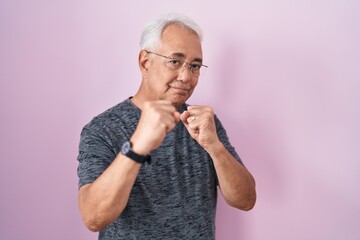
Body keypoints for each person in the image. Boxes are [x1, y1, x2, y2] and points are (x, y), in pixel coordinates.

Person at [77, 13, 256, 240]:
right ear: (145, 62)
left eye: (195, 66)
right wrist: (137, 145)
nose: (186, 77)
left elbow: (246, 200)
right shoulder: (103, 129)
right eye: (175, 61)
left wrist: (215, 147)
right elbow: (93, 218)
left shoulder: (204, 124)